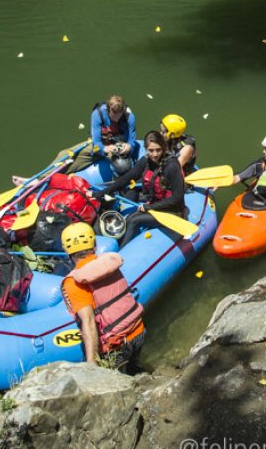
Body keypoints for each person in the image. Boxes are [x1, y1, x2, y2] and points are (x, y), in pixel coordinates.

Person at [59, 223, 145, 370]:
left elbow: (89, 321)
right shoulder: (107, 263)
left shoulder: (73, 282)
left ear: (67, 250)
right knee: (134, 369)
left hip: (117, 346)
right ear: (94, 244)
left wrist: (91, 363)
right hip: (139, 330)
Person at [88, 131, 187, 249]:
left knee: (135, 220)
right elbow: (125, 179)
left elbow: (178, 197)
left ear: (164, 148)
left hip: (172, 211)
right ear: (146, 149)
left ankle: (120, 252)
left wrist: (149, 207)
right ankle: (119, 246)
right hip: (156, 206)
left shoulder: (171, 166)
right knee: (130, 218)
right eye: (151, 150)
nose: (155, 154)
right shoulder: (145, 161)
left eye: (158, 150)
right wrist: (99, 194)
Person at [90, 95, 136, 174]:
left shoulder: (129, 117)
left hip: (119, 143)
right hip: (102, 143)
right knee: (63, 154)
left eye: (119, 116)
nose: (116, 119)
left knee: (123, 167)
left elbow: (131, 141)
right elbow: (96, 141)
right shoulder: (97, 114)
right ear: (108, 110)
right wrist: (104, 148)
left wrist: (129, 146)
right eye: (113, 116)